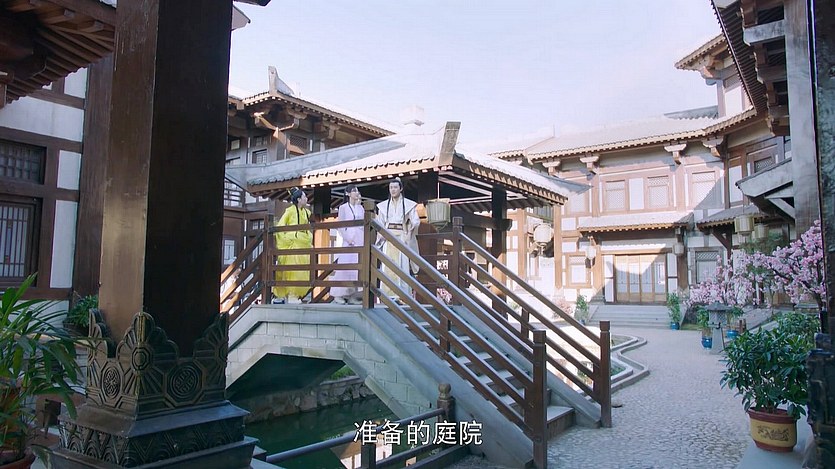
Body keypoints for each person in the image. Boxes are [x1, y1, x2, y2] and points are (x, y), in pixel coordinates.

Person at [376, 177, 420, 301]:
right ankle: (387, 296)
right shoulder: (384, 206)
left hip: (402, 237)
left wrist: (409, 231)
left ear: (400, 189)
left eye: (395, 187)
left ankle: (402, 296)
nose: (393, 190)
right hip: (388, 237)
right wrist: (381, 235)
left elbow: (416, 221)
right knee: (388, 266)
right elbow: (380, 223)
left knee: (402, 266)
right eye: (391, 187)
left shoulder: (408, 204)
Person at [272, 188, 312, 304]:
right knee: (292, 271)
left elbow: (307, 228)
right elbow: (280, 226)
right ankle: (291, 295)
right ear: (299, 199)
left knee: (302, 271)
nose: (306, 199)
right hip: (293, 243)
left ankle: (296, 295)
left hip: (303, 243)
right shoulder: (290, 211)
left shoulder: (306, 212)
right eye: (304, 197)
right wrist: (286, 239)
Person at [331, 185, 364, 304]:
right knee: (345, 266)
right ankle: (339, 294)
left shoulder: (361, 208)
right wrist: (347, 238)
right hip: (348, 238)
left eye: (357, 190)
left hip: (360, 237)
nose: (356, 193)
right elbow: (340, 225)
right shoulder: (343, 207)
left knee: (357, 268)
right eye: (354, 191)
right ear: (348, 193)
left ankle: (353, 295)